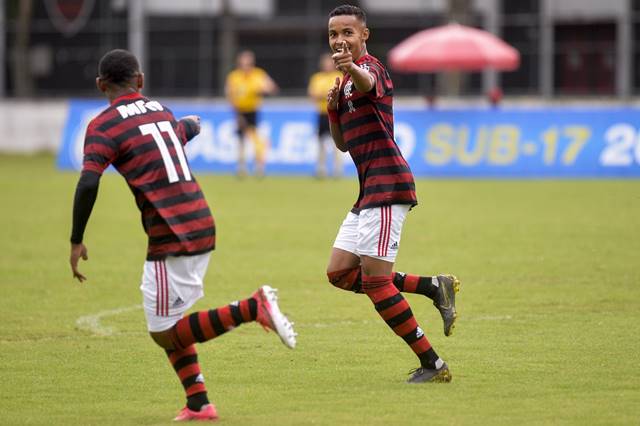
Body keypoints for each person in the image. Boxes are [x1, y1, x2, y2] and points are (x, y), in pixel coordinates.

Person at [69, 49, 296, 421]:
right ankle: (198, 402)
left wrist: (76, 239)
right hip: (200, 220)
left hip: (169, 232)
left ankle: (252, 307)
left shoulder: (103, 126)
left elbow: (89, 180)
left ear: (100, 85)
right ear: (140, 81)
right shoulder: (160, 110)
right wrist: (191, 125)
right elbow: (178, 132)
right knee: (171, 319)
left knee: (163, 331)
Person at [324, 5, 460, 383]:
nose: (340, 40)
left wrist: (351, 69)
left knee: (375, 283)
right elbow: (342, 145)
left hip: (389, 186)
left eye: (347, 32)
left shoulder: (372, 69)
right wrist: (333, 111)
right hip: (369, 191)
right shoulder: (345, 85)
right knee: (338, 273)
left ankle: (433, 364)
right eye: (334, 34)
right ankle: (434, 286)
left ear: (364, 35)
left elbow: (368, 81)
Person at [225, 50, 278, 178]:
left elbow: (272, 88)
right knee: (241, 140)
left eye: (248, 62)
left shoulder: (258, 75)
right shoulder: (234, 76)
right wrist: (236, 112)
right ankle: (241, 168)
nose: (246, 65)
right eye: (244, 62)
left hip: (253, 111)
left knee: (255, 139)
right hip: (239, 111)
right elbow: (229, 94)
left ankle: (259, 167)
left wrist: (263, 90)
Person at [308, 53, 344, 178]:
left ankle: (337, 169)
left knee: (337, 143)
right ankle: (321, 169)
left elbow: (341, 94)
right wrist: (327, 95)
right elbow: (313, 94)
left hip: (336, 113)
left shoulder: (338, 76)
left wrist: (324, 95)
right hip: (322, 113)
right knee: (321, 143)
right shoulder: (317, 78)